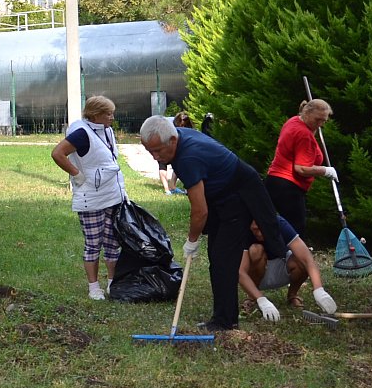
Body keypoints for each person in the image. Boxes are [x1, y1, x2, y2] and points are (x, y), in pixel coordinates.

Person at [139, 114, 287, 332]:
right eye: (149, 151)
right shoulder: (178, 137)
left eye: (157, 151)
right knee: (217, 257)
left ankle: (225, 322)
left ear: (171, 140)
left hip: (240, 196)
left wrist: (192, 240)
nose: (154, 157)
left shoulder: (188, 158)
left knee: (223, 259)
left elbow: (200, 211)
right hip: (223, 196)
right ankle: (224, 316)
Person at [51, 95, 126, 300]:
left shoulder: (107, 131)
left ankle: (113, 283)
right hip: (91, 199)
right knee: (94, 242)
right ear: (95, 115)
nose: (112, 117)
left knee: (112, 241)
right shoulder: (82, 133)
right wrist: (78, 175)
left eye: (112, 112)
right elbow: (57, 153)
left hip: (112, 195)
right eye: (108, 113)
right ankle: (94, 287)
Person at [264, 99, 337, 246]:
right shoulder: (303, 134)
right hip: (288, 186)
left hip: (275, 181)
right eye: (318, 120)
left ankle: (280, 257)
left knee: (276, 224)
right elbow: (302, 168)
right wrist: (326, 171)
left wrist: (314, 129)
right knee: (295, 229)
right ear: (306, 113)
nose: (321, 124)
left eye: (324, 121)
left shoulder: (293, 121)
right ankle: (291, 262)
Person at [238, 215, 336, 319]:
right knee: (255, 250)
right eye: (255, 230)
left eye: (263, 229)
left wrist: (319, 290)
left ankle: (292, 296)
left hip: (281, 266)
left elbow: (307, 259)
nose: (260, 233)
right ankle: (253, 297)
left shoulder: (280, 223)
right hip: (255, 273)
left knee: (300, 259)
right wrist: (260, 299)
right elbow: (241, 272)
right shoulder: (243, 229)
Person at [157, 112, 193, 194]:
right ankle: (166, 189)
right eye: (180, 125)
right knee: (163, 165)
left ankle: (173, 186)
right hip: (162, 143)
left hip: (175, 146)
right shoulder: (167, 124)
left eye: (184, 125)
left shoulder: (188, 128)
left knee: (178, 165)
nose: (182, 127)